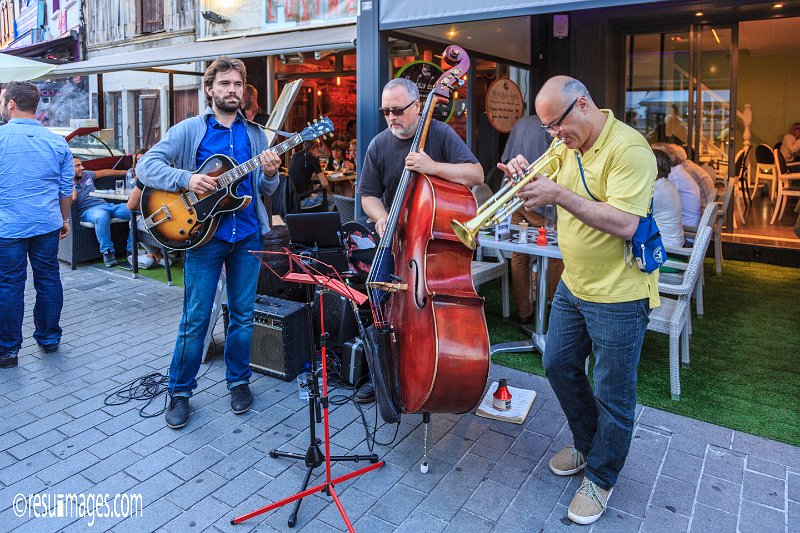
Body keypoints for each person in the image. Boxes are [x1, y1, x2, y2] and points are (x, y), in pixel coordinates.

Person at [502, 76, 658, 525]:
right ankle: (589, 445)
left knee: (614, 393)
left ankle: (602, 477)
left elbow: (627, 223)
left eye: (557, 125)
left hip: (620, 293)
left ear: (584, 104)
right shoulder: (566, 146)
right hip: (576, 283)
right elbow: (542, 195)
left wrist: (558, 195)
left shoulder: (629, 149)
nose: (553, 136)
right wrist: (524, 179)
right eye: (547, 128)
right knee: (557, 364)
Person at [137, 56, 282, 429]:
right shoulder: (188, 130)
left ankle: (238, 382)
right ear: (209, 89)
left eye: (237, 84)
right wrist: (186, 179)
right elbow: (146, 167)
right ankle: (180, 391)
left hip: (247, 235)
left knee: (243, 316)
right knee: (195, 318)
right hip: (203, 237)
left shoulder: (255, 134)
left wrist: (270, 172)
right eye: (224, 84)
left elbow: (262, 189)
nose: (231, 90)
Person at [357, 77, 483, 402]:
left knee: (424, 313)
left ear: (417, 106)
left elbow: (476, 174)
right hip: (396, 244)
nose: (391, 117)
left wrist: (432, 166)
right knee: (380, 305)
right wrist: (381, 216)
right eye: (385, 111)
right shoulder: (379, 145)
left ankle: (429, 369)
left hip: (428, 248)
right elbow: (368, 196)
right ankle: (382, 375)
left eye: (397, 110)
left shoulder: (439, 134)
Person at [0, 81, 74, 367]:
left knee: (9, 285)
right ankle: (49, 339)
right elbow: (65, 189)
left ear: (11, 104)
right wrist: (65, 219)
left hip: (7, 226)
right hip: (46, 224)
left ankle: (7, 351)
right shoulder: (57, 141)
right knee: (48, 279)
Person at [498, 115, 564, 324]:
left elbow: (507, 158)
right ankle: (553, 310)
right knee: (554, 256)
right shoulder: (553, 127)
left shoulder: (520, 123)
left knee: (519, 255)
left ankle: (524, 312)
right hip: (540, 202)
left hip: (516, 197)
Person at [72, 157, 133, 267]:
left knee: (135, 210)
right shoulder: (63, 182)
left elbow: (105, 172)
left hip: (106, 205)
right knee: (102, 215)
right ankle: (107, 252)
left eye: (81, 164)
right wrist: (69, 179)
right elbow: (73, 198)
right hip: (88, 212)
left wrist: (128, 172)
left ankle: (131, 249)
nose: (82, 167)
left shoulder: (86, 174)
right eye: (77, 166)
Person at [125, 149, 172, 269]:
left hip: (165, 226)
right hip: (181, 222)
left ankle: (157, 255)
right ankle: (156, 255)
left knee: (133, 222)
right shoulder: (171, 173)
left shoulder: (146, 176)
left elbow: (130, 205)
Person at [651, 148, 685, 248]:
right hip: (675, 243)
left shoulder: (656, 191)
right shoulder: (667, 185)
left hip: (665, 250)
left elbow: (632, 215)